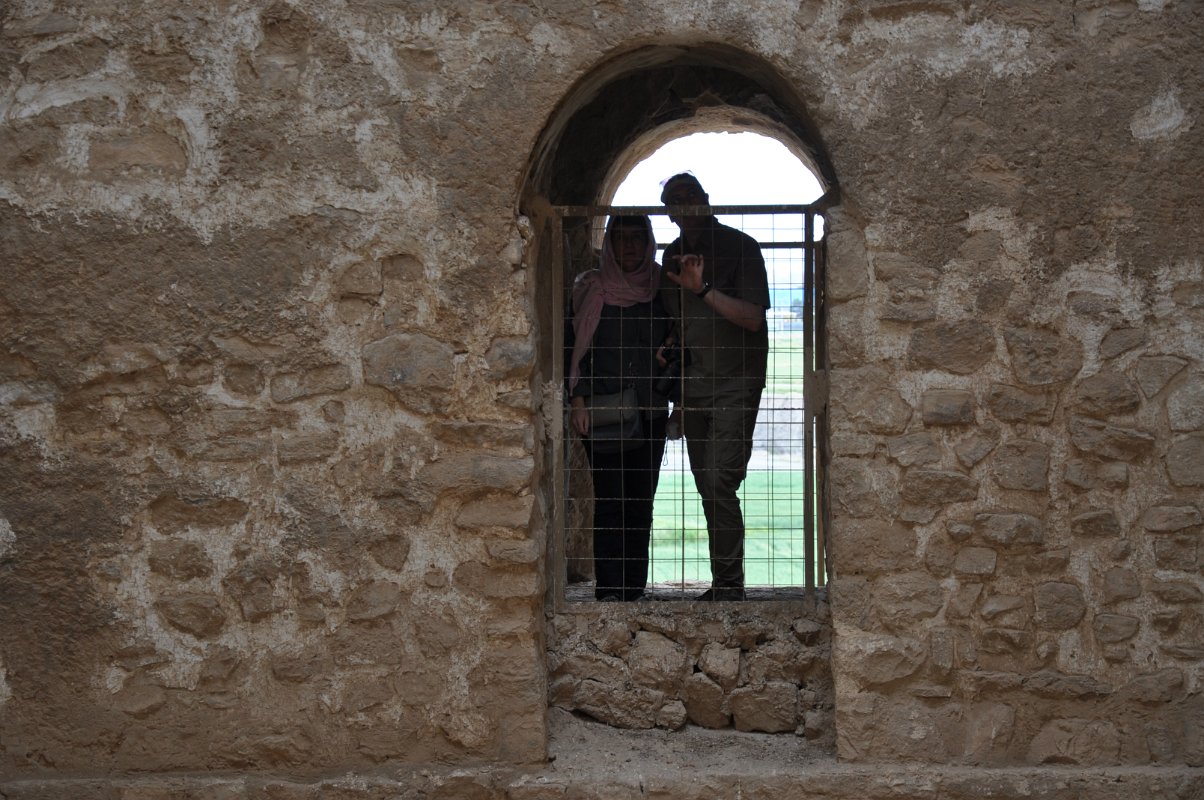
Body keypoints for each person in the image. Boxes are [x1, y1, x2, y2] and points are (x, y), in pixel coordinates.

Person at [659, 173, 769, 602]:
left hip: (735, 384)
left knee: (721, 480)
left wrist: (703, 288)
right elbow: (680, 321)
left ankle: (728, 587)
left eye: (691, 194)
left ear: (706, 199)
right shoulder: (671, 255)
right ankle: (725, 582)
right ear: (669, 213)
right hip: (694, 388)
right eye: (675, 199)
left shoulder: (741, 247)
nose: (685, 202)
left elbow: (752, 318)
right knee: (707, 485)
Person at [566, 214, 674, 601]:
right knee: (610, 500)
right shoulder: (591, 288)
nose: (629, 246)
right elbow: (574, 348)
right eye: (621, 238)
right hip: (602, 412)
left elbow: (680, 340)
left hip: (649, 412)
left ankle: (632, 589)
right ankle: (609, 588)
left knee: (640, 502)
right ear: (609, 243)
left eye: (636, 238)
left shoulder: (662, 289)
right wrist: (578, 401)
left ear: (649, 243)